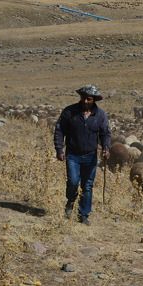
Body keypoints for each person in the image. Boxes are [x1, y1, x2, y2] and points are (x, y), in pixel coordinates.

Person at [53, 85, 111, 225]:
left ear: (94, 100)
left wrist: (106, 147)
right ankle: (70, 201)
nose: (85, 101)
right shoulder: (69, 112)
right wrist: (59, 149)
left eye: (89, 99)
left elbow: (105, 133)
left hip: (90, 156)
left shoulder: (100, 115)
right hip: (73, 154)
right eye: (83, 98)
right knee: (73, 182)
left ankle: (83, 215)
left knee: (87, 186)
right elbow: (59, 131)